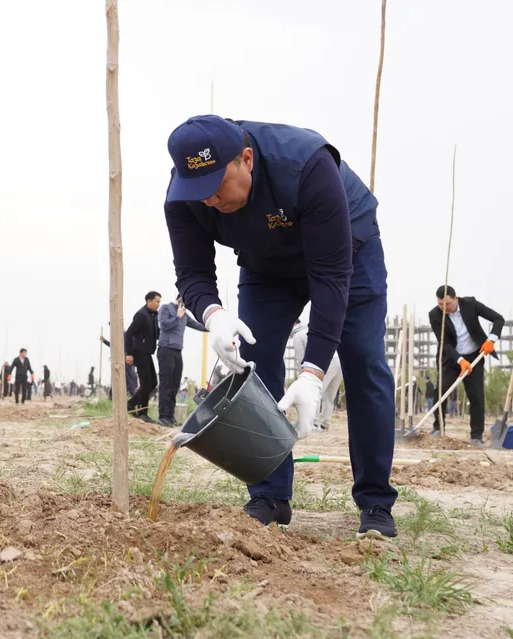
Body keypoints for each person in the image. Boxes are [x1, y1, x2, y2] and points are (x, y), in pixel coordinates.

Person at [164, 115, 397, 538]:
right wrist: (214, 315)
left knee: (363, 361)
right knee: (254, 360)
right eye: (199, 193)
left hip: (348, 253)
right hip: (267, 264)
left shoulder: (306, 166)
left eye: (217, 187)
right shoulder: (184, 197)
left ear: (247, 159)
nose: (210, 201)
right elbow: (192, 271)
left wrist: (313, 372)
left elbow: (330, 277)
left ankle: (376, 501)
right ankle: (270, 496)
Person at [428, 286, 504, 446]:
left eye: (447, 304)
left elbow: (498, 319)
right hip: (451, 358)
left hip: (475, 355)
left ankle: (476, 436)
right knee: (441, 390)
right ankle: (438, 428)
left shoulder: (471, 304)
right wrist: (460, 361)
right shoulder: (435, 315)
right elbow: (445, 344)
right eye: (440, 304)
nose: (443, 308)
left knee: (476, 396)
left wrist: (491, 339)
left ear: (455, 299)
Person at [157, 294, 206, 426]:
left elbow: (197, 325)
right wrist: (177, 316)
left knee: (174, 385)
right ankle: (163, 416)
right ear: (179, 297)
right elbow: (164, 325)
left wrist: (213, 326)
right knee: (166, 384)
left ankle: (170, 416)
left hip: (178, 351)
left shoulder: (184, 313)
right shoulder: (165, 308)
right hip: (166, 349)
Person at [291, 320, 342, 430]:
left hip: (326, 363)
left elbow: (300, 359)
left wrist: (303, 378)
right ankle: (325, 424)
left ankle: (312, 423)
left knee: (316, 391)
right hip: (338, 360)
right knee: (329, 395)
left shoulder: (297, 336)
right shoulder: (310, 330)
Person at [125, 291, 161, 423]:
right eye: (157, 301)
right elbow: (129, 333)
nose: (158, 304)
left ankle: (130, 404)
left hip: (147, 352)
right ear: (149, 301)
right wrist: (129, 353)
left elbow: (155, 333)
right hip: (139, 352)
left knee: (153, 383)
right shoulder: (141, 315)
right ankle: (142, 412)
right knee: (146, 384)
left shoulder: (153, 315)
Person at [100, 333, 138, 397]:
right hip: (123, 360)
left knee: (129, 378)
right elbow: (114, 346)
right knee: (117, 377)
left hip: (126, 360)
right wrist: (104, 341)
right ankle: (112, 396)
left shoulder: (124, 334)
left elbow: (122, 346)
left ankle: (132, 394)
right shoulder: (121, 335)